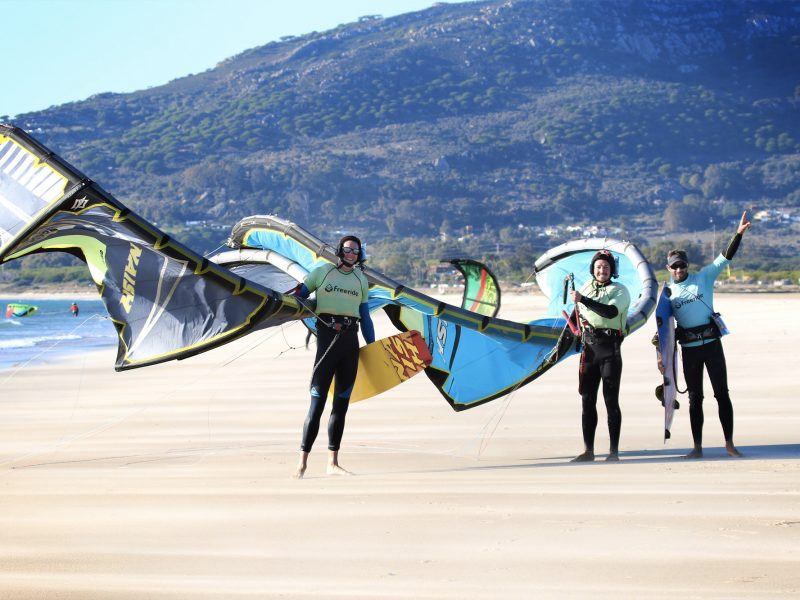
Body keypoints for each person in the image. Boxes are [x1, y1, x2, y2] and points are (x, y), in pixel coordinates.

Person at [667, 211, 751, 459]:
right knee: (695, 399)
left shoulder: (704, 277)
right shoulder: (667, 293)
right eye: (675, 266)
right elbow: (663, 327)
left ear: (687, 265)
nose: (679, 269)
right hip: (690, 350)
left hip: (712, 345)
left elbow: (726, 257)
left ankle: (729, 443)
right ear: (668, 268)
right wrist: (662, 354)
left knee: (722, 394)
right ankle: (697, 447)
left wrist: (738, 234)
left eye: (682, 265)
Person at [292, 235, 375, 478]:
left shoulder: (361, 279)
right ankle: (302, 463)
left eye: (355, 251)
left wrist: (372, 346)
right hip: (327, 343)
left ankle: (333, 463)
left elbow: (366, 317)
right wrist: (289, 303)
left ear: (359, 255)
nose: (351, 254)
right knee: (316, 405)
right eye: (347, 249)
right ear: (339, 251)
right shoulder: (323, 272)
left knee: (341, 405)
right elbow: (301, 295)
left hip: (350, 343)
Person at [570, 250, 631, 462]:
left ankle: (613, 451)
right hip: (589, 350)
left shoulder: (620, 290)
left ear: (612, 270)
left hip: (610, 350)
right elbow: (576, 316)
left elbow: (610, 313)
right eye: (598, 267)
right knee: (587, 400)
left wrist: (584, 300)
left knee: (610, 400)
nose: (602, 270)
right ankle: (588, 451)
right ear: (592, 269)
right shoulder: (586, 286)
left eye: (605, 267)